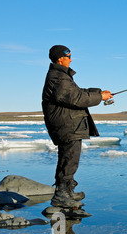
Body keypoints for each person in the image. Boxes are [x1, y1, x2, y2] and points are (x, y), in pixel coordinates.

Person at [42, 45, 113, 208]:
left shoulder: (61, 76)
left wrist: (99, 93)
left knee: (69, 158)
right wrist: (99, 97)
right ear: (60, 58)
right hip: (66, 124)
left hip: (68, 123)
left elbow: (77, 92)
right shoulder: (58, 77)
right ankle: (61, 195)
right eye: (68, 56)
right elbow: (76, 98)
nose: (71, 59)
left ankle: (67, 191)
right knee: (69, 158)